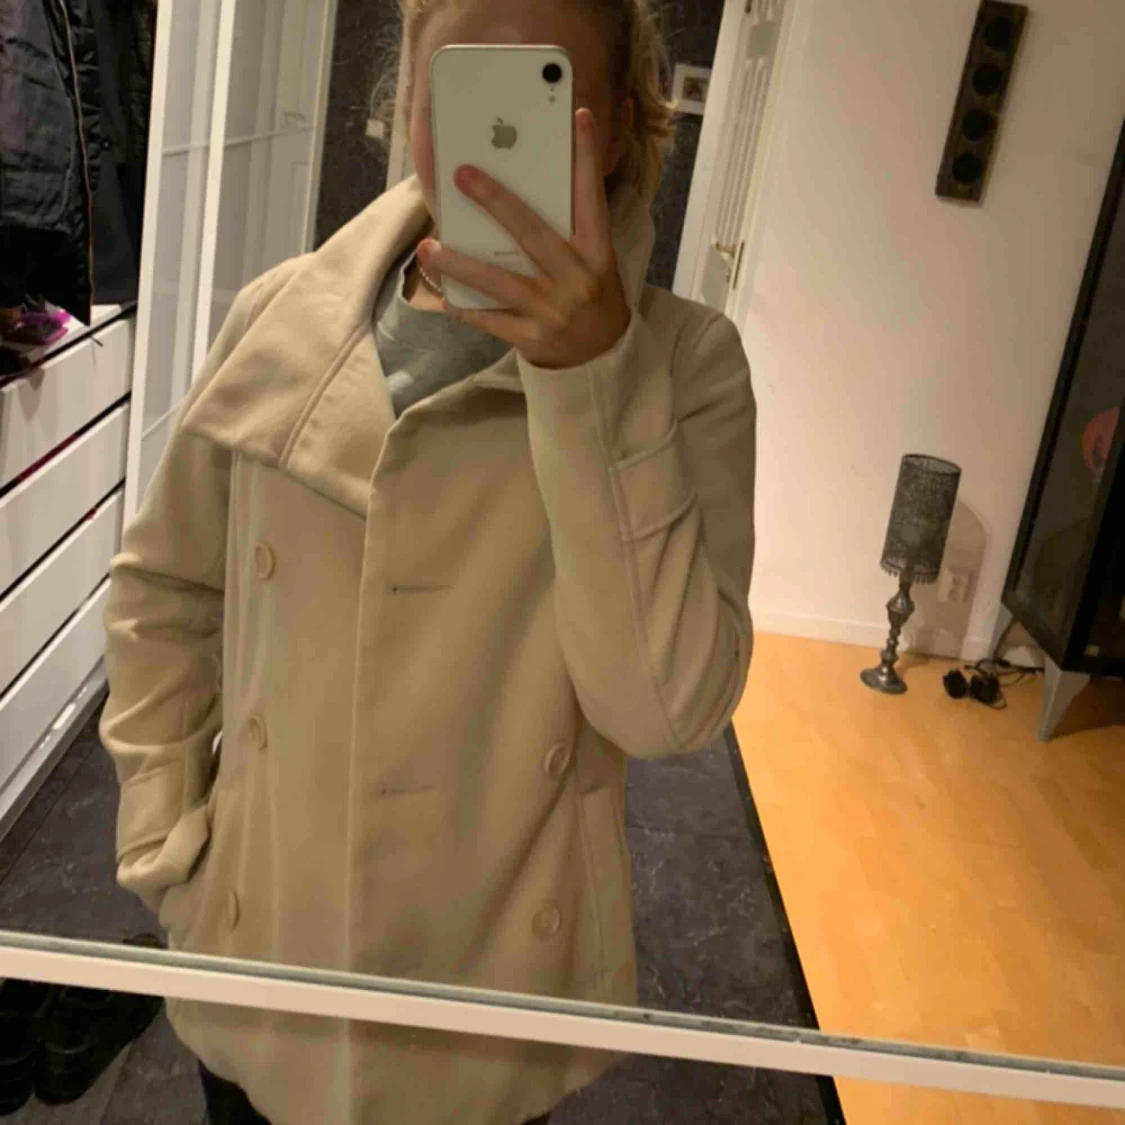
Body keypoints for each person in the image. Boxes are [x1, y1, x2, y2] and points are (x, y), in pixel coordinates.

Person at [100, 0, 757, 1121]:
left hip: (485, 1008)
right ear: (406, 98)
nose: (490, 134)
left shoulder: (687, 367)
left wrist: (592, 375)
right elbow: (167, 589)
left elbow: (663, 711)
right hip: (263, 956)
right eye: (456, 85)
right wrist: (165, 835)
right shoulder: (277, 317)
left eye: (540, 89)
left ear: (619, 123)